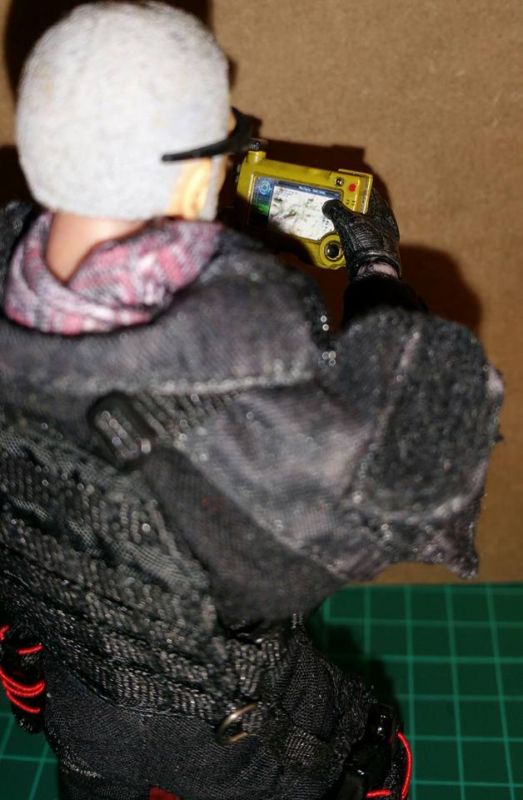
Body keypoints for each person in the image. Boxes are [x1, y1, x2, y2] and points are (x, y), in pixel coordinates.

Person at [0, 4, 502, 800]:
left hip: (81, 697)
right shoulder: (239, 365)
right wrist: (375, 271)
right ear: (196, 175)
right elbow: (407, 475)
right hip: (228, 718)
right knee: (360, 765)